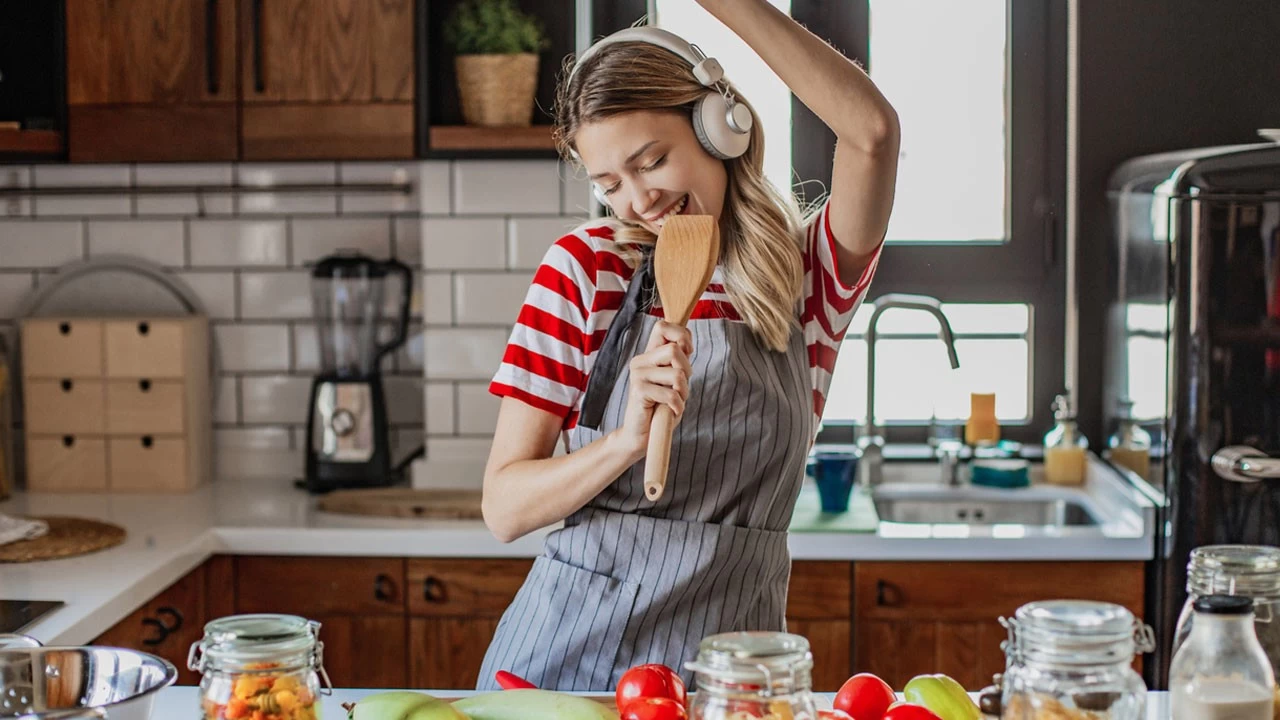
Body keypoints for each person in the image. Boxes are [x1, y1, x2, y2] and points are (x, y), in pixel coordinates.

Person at [476, 0, 899, 692]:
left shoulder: (805, 279)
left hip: (730, 679)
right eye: (609, 183)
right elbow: (504, 507)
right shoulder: (585, 269)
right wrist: (622, 444)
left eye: (652, 161)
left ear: (719, 128)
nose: (638, 199)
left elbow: (872, 133)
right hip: (563, 672)